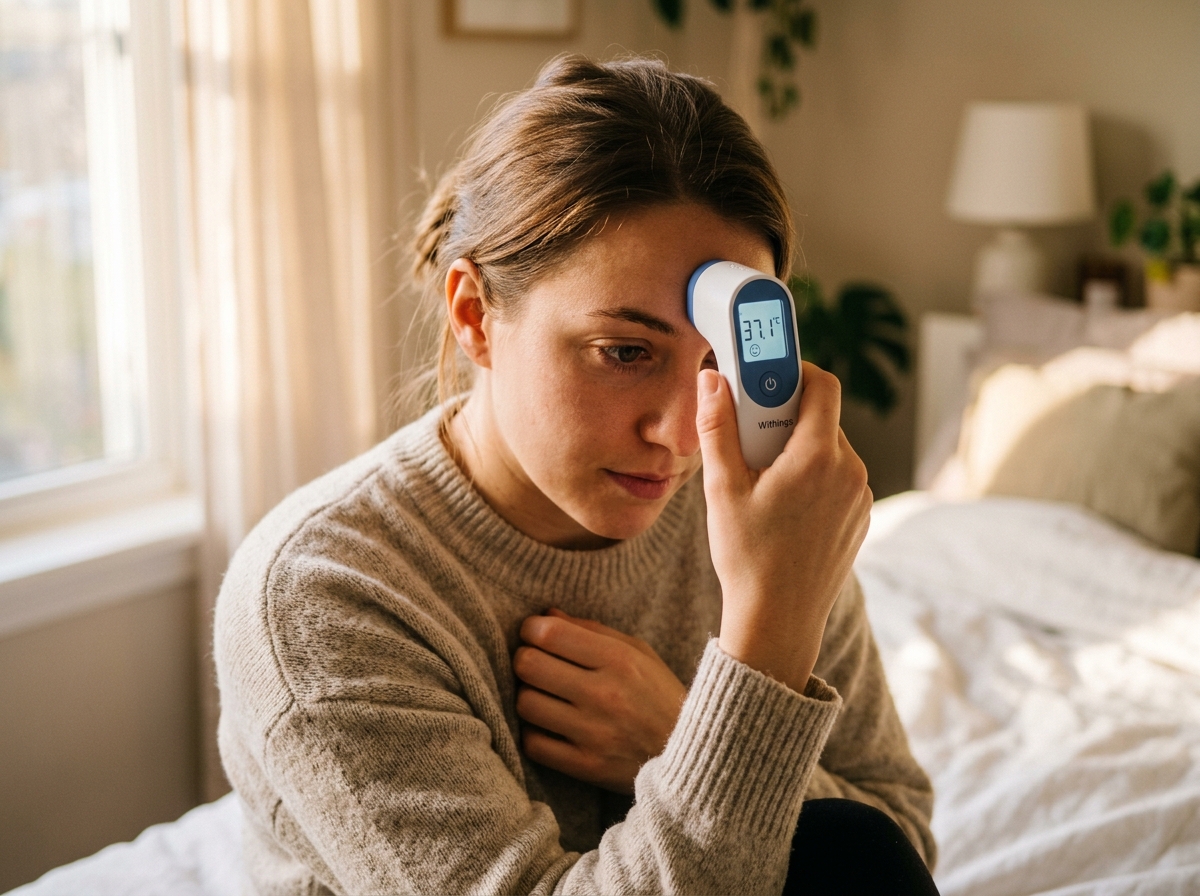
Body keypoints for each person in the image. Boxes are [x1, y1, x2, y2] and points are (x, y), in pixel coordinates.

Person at [214, 55, 938, 895]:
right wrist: (766, 643)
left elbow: (895, 848)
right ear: (475, 315)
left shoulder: (764, 516)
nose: (680, 433)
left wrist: (679, 736)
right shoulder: (323, 593)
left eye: (718, 361)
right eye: (623, 353)